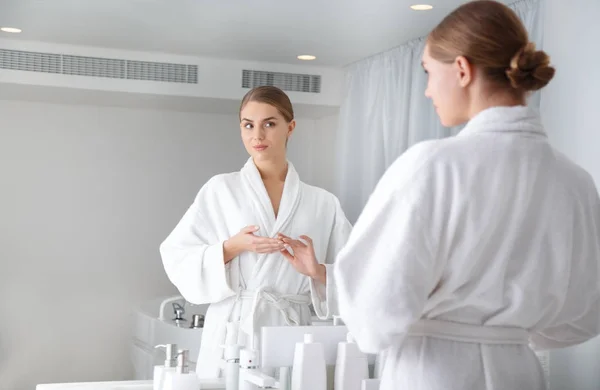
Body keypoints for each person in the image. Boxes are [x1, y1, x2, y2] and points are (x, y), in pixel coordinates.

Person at [330, 1, 600, 389]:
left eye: (428, 72)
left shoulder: (431, 167)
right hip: (520, 373)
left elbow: (371, 313)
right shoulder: (576, 182)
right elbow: (583, 318)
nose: (426, 91)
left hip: (433, 372)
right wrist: (506, 332)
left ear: (461, 69)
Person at [159, 86, 351, 378]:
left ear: (291, 127)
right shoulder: (220, 189)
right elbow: (175, 254)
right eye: (248, 125)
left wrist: (318, 271)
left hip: (290, 333)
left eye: (269, 124)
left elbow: (359, 275)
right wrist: (231, 247)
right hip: (231, 331)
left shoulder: (323, 202)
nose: (257, 136)